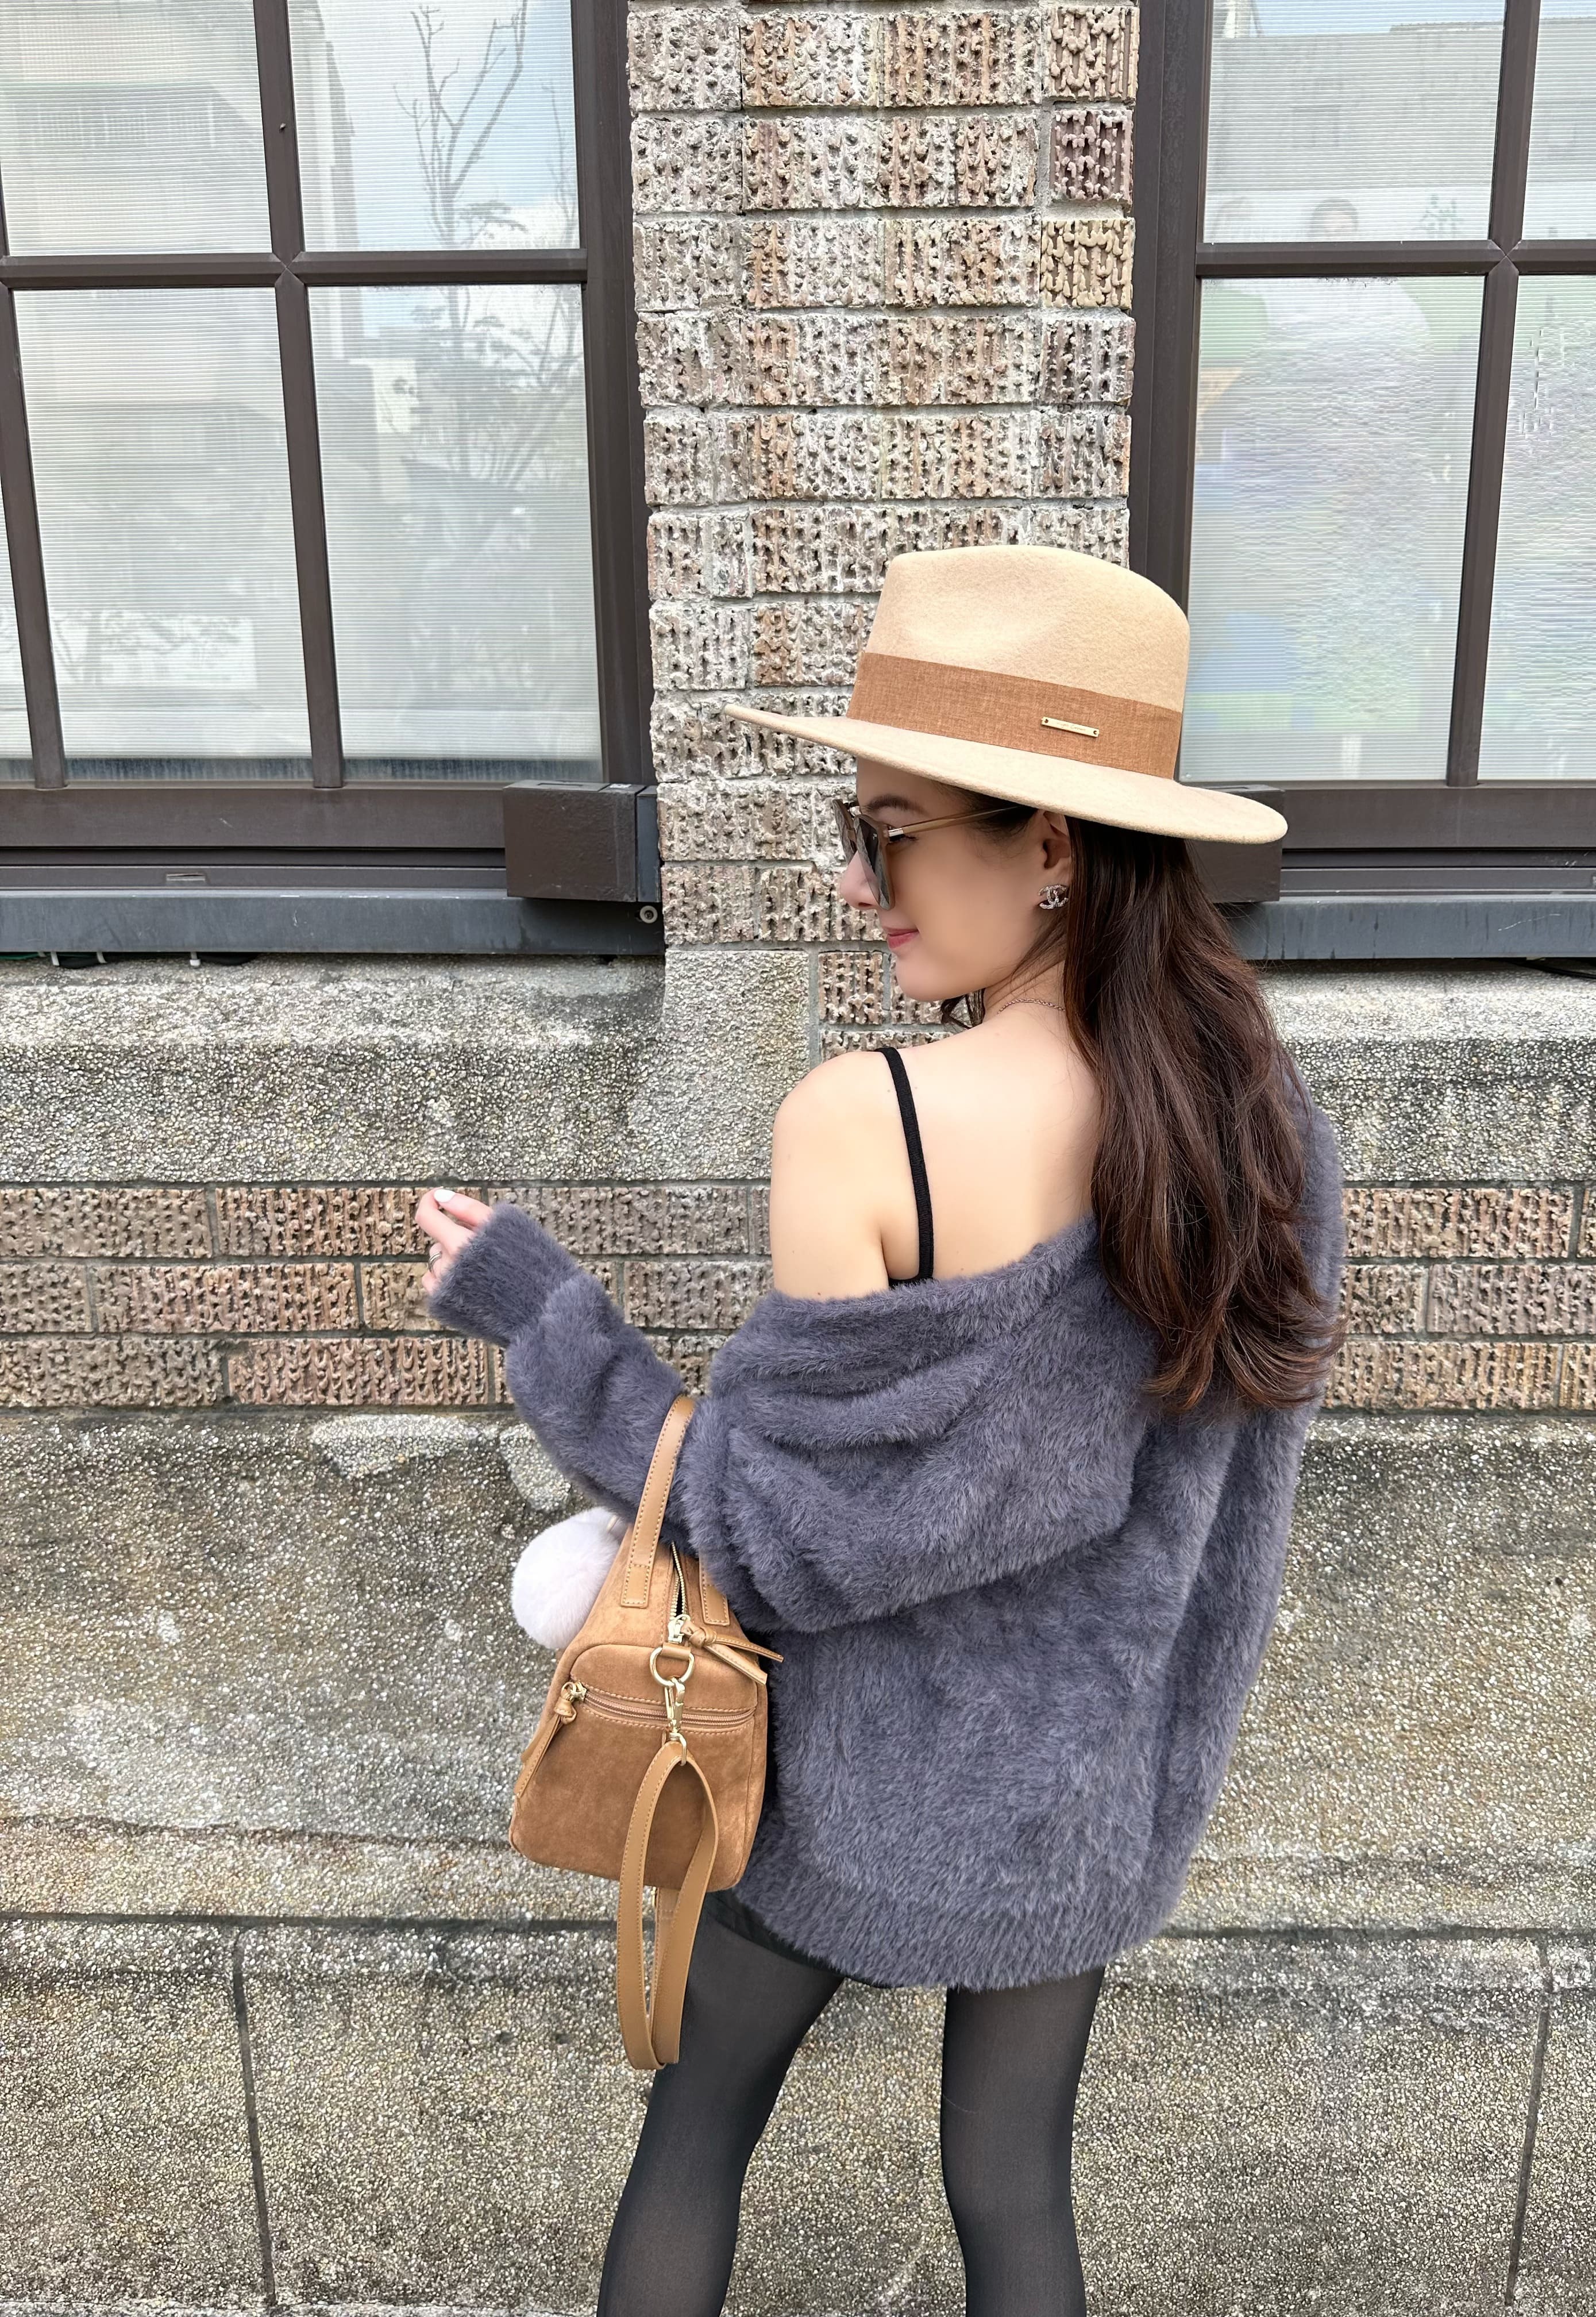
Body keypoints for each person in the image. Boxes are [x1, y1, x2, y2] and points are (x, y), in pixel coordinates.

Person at [416, 542, 1348, 2317]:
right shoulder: (1262, 1128)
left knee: (697, 2135)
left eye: (891, 831)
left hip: (845, 1795)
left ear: (1053, 846)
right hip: (1080, 1800)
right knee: (1013, 2190)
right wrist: (1146, 1789)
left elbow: (780, 1537)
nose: (857, 881)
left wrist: (544, 1319)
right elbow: (1231, 1539)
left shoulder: (867, 1121)